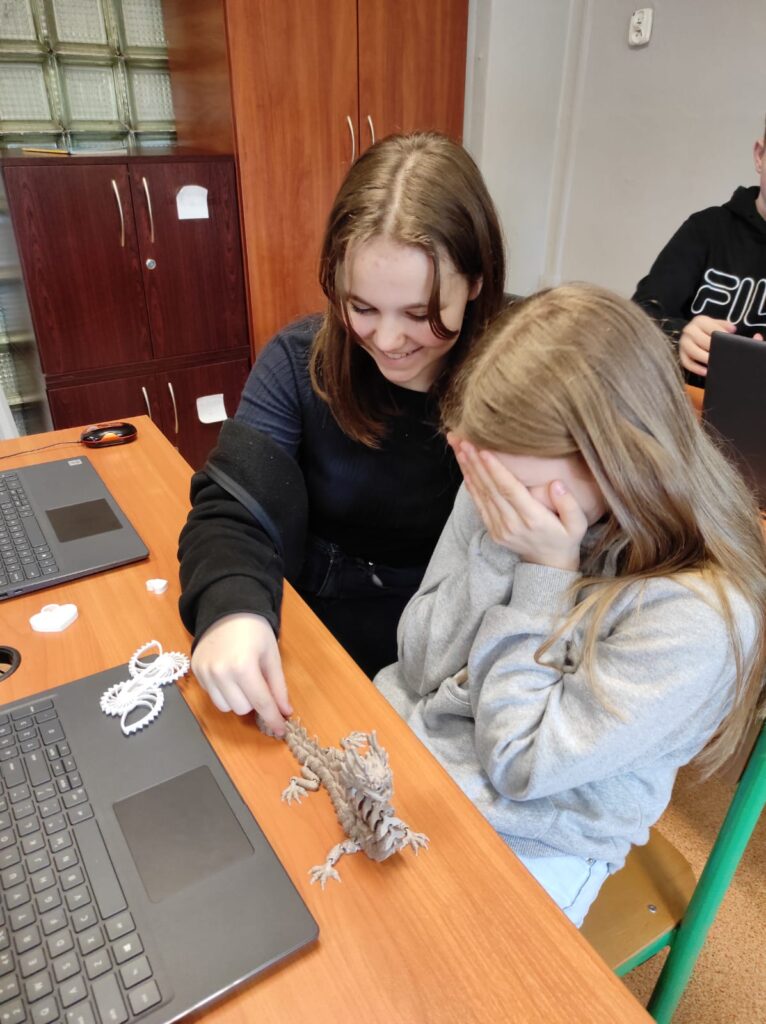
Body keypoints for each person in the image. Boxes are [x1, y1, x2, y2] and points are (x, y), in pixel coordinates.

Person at [375, 283, 766, 926]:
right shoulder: (507, 476)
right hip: (422, 745)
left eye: (519, 491)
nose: (501, 503)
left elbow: (520, 763)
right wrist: (498, 551)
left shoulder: (700, 615)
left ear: (619, 460)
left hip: (538, 835)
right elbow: (418, 667)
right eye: (487, 485)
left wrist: (542, 572)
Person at [178, 131, 506, 734]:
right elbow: (232, 508)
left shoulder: (527, 370)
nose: (388, 340)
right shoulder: (300, 360)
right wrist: (231, 610)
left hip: (459, 658)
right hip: (314, 632)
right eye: (362, 308)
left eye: (420, 314)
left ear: (478, 281)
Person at [633, 116, 766, 384]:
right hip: (687, 401)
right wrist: (680, 336)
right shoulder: (707, 230)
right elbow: (639, 318)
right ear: (760, 156)